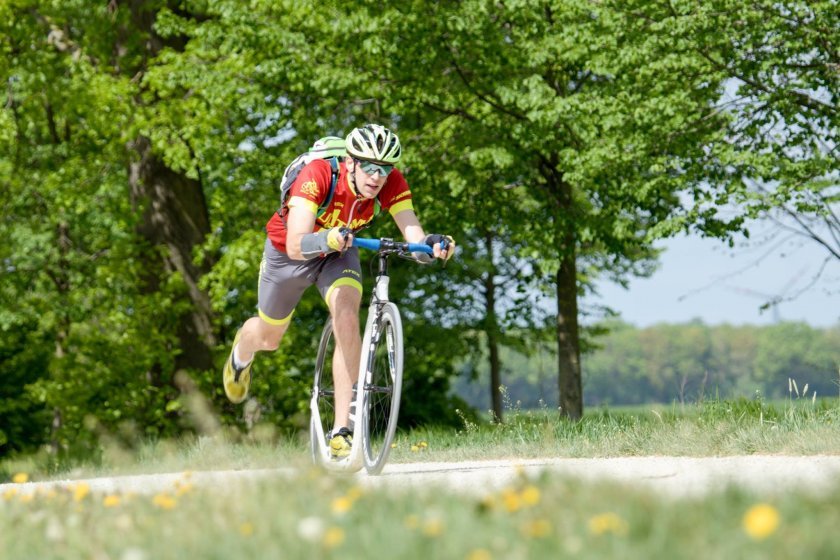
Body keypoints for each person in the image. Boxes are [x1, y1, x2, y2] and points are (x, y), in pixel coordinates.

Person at [222, 124, 455, 459]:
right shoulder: (318, 175)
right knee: (269, 338)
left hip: (340, 250)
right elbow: (296, 242)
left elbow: (412, 235)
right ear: (351, 162)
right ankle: (240, 357)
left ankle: (343, 428)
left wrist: (431, 246)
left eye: (385, 169)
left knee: (346, 312)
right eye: (371, 168)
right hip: (291, 251)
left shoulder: (391, 182)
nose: (378, 177)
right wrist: (327, 237)